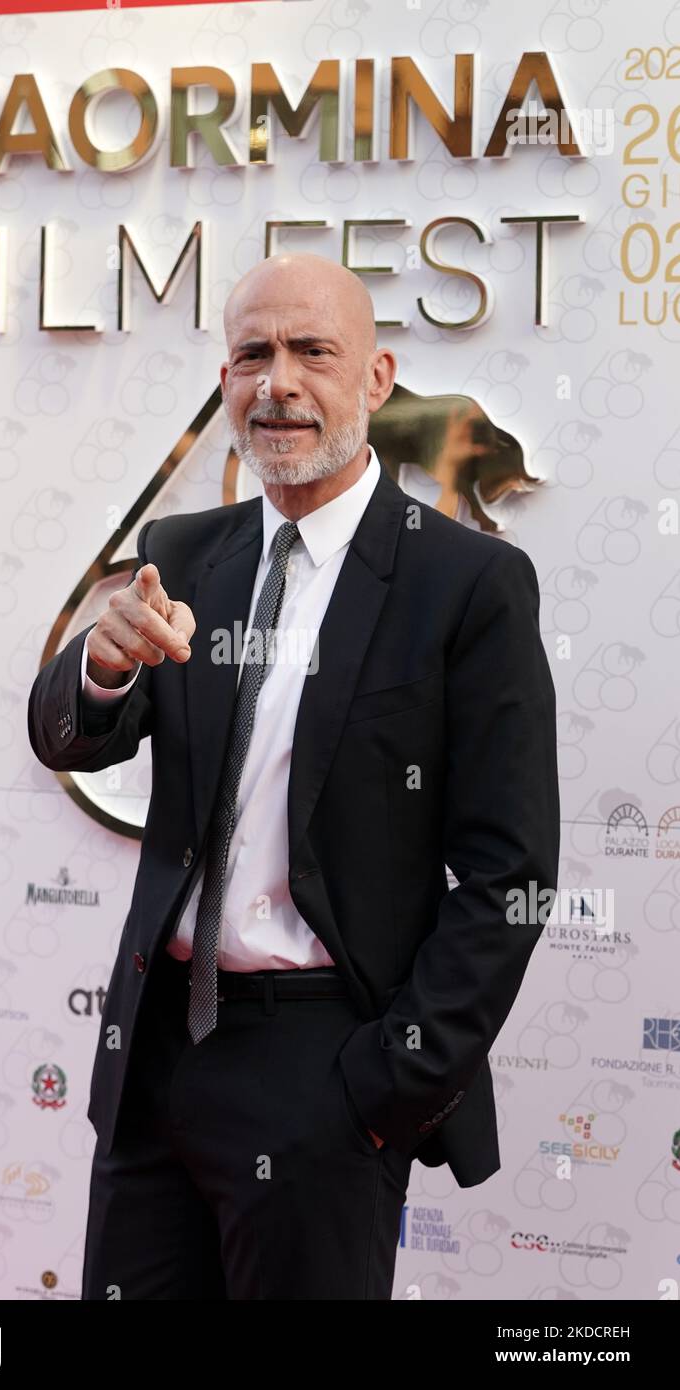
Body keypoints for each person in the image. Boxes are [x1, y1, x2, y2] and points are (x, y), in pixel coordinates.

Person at [27, 252, 560, 1300]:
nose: (277, 382)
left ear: (375, 378)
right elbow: (69, 738)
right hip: (155, 1065)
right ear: (224, 380)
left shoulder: (465, 585)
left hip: (324, 1066)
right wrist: (100, 661)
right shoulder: (182, 551)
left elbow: (509, 874)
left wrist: (379, 1087)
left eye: (312, 351)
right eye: (250, 355)